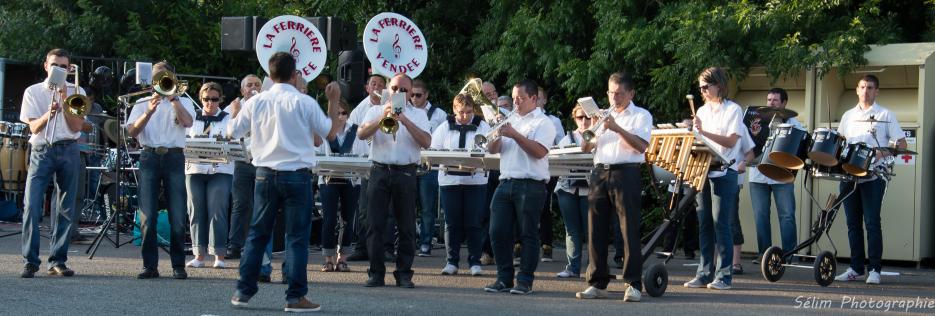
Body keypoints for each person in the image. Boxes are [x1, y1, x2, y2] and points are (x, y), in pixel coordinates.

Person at [227, 52, 340, 312]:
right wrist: (333, 101)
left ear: (269, 75)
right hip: (297, 174)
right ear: (294, 74)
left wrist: (235, 113)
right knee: (296, 237)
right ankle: (295, 297)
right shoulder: (304, 101)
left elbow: (233, 132)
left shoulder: (256, 102)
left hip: (265, 173)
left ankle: (243, 291)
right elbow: (330, 133)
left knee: (257, 233)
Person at [574, 72, 652, 302]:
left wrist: (616, 128)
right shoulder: (602, 115)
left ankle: (633, 283)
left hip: (626, 172)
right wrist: (592, 128)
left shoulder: (641, 115)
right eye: (610, 92)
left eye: (618, 93)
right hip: (599, 171)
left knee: (628, 229)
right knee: (595, 229)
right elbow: (585, 149)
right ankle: (597, 282)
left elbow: (640, 147)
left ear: (630, 93)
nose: (613, 97)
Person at [357, 73, 431, 288]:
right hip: (379, 170)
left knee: (406, 225)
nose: (399, 93)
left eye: (404, 90)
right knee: (374, 224)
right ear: (389, 90)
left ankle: (404, 273)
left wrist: (405, 121)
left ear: (410, 94)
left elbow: (426, 142)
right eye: (395, 88)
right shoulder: (374, 111)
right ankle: (376, 273)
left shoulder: (419, 115)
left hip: (406, 172)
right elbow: (361, 134)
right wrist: (382, 119)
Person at [483, 79, 555, 295]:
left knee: (528, 234)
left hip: (530, 183)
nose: (515, 103)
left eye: (520, 99)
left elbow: (539, 152)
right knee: (497, 232)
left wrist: (514, 133)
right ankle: (504, 278)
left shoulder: (544, 123)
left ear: (534, 99)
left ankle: (525, 280)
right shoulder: (510, 118)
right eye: (513, 98)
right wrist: (496, 132)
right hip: (506, 180)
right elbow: (493, 149)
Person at [833, 74, 907, 285]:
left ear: (877, 91)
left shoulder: (886, 114)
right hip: (848, 174)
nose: (866, 91)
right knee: (852, 223)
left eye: (870, 87)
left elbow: (901, 144)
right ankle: (856, 268)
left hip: (874, 175)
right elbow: (840, 143)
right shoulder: (847, 115)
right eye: (863, 87)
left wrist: (880, 153)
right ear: (857, 90)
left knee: (872, 223)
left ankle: (874, 269)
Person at [19, 48, 86, 278]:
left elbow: (77, 127)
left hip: (68, 148)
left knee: (65, 208)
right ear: (46, 66)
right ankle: (30, 261)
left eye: (64, 66)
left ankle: (58, 260)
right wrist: (49, 113)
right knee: (32, 205)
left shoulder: (78, 91)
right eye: (55, 65)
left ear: (69, 69)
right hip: (41, 149)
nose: (60, 70)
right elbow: (33, 127)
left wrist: (65, 98)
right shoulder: (33, 92)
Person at [126, 61, 195, 280]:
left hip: (175, 156)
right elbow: (131, 131)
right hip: (150, 156)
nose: (162, 82)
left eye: (166, 78)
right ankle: (150, 266)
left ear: (173, 79)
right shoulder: (142, 102)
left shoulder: (183, 101)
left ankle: (178, 265)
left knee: (177, 214)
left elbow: (188, 122)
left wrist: (174, 100)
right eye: (158, 78)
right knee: (147, 215)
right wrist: (147, 112)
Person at [682, 67, 744, 291]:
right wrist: (691, 132)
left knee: (722, 224)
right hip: (704, 169)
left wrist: (703, 132)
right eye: (700, 87)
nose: (703, 90)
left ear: (719, 85)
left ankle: (724, 276)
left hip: (726, 171)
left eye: (706, 86)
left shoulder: (733, 110)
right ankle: (704, 273)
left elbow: (730, 142)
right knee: (704, 223)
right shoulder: (702, 110)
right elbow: (700, 143)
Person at [431, 93, 490, 276]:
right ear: (454, 110)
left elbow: (490, 150)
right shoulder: (444, 127)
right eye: (461, 112)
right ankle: (452, 262)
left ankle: (475, 262)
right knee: (451, 222)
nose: (465, 116)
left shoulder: (483, 126)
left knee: (474, 223)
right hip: (450, 180)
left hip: (476, 181)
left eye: (469, 112)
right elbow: (434, 151)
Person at [747, 88, 800, 265]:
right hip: (758, 175)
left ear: (784, 103)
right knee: (760, 215)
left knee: (787, 215)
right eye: (769, 100)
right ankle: (764, 253)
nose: (771, 103)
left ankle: (789, 253)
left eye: (775, 100)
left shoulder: (795, 124)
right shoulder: (757, 121)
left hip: (781, 175)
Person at [184, 82, 234, 269]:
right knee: (195, 210)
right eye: (206, 99)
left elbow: (236, 142)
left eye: (214, 99)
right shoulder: (192, 118)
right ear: (201, 99)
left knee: (217, 210)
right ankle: (198, 255)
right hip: (195, 170)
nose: (210, 103)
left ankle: (219, 255)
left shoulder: (228, 119)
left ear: (220, 99)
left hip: (220, 170)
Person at [317, 98, 365, 273]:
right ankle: (328, 259)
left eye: (343, 113)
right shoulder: (323, 131)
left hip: (351, 179)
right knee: (328, 219)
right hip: (328, 179)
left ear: (348, 114)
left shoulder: (356, 131)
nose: (340, 116)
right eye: (336, 113)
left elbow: (363, 155)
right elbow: (317, 154)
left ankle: (343, 259)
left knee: (347, 219)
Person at [345, 74, 389, 262]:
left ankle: (386, 249)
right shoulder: (359, 110)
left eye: (381, 84)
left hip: (386, 160)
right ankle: (362, 246)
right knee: (364, 208)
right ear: (367, 88)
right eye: (374, 84)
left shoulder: (391, 105)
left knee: (387, 210)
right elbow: (352, 136)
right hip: (366, 162)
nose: (377, 87)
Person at [554, 104, 596, 279]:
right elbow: (557, 160)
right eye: (580, 117)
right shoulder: (566, 138)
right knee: (571, 230)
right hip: (568, 188)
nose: (584, 121)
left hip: (590, 190)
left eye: (587, 117)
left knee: (591, 230)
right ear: (574, 119)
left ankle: (593, 268)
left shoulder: (598, 136)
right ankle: (572, 267)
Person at [226, 74, 262, 260]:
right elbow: (227, 135)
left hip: (262, 161)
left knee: (261, 205)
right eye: (249, 85)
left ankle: (256, 246)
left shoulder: (267, 105)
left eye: (257, 84)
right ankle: (234, 245)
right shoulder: (235, 106)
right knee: (241, 204)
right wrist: (235, 112)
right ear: (242, 90)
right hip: (242, 161)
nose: (253, 87)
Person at [411, 79, 447, 257]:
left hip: (429, 164)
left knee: (427, 207)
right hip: (409, 163)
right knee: (407, 206)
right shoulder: (405, 111)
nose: (414, 98)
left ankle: (425, 243)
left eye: (418, 95)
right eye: (411, 95)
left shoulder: (439, 114)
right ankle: (409, 242)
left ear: (426, 95)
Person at [535, 87, 564, 262]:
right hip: (529, 167)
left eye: (539, 98)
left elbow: (561, 144)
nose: (536, 101)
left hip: (547, 168)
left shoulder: (553, 120)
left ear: (544, 101)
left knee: (544, 207)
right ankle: (519, 246)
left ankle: (547, 246)